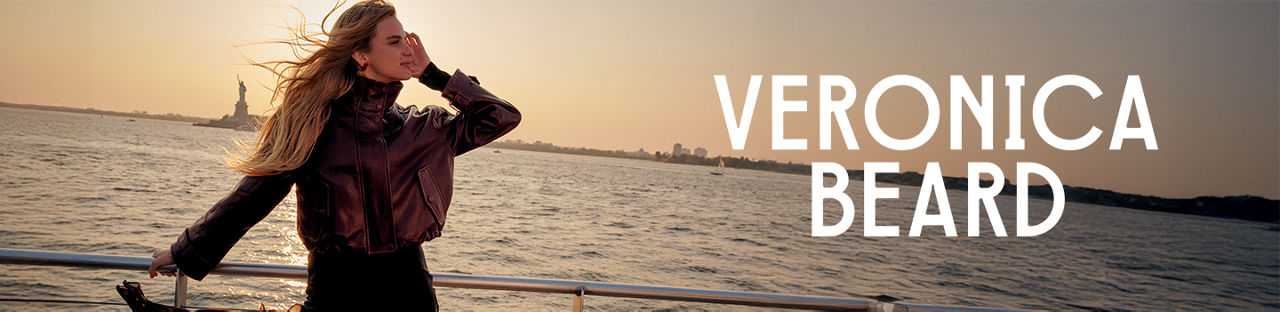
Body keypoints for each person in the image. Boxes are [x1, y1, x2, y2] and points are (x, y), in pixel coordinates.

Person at [146, 0, 521, 310]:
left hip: (410, 294)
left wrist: (434, 75)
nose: (409, 49)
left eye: (408, 40)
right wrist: (188, 250)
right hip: (334, 294)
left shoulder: (426, 128)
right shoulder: (314, 122)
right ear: (361, 54)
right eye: (394, 42)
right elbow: (254, 196)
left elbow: (501, 117)